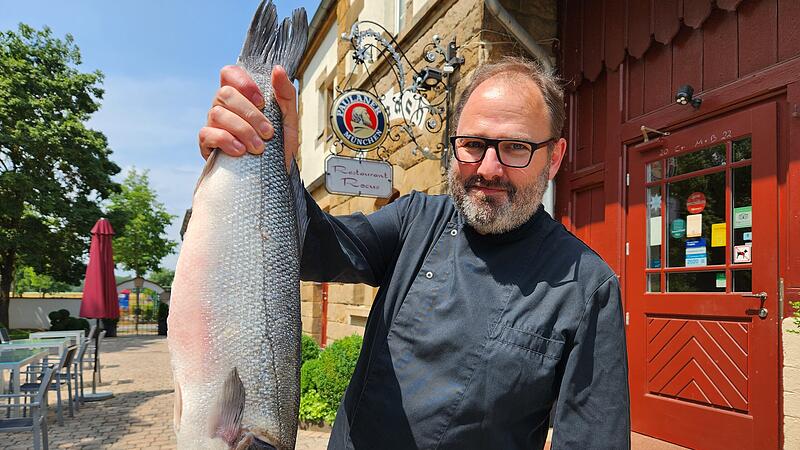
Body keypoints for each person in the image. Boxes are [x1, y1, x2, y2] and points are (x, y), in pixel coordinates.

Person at [199, 57, 630, 450]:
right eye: (473, 144)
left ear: (554, 158)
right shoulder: (416, 219)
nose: (489, 168)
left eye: (516, 147)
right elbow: (313, 249)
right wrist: (267, 163)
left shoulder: (587, 287)